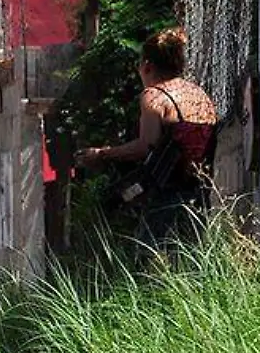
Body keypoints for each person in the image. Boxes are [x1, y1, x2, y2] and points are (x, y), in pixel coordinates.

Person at [79, 27, 218, 244]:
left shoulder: (154, 96)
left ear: (146, 66)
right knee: (192, 260)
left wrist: (102, 154)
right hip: (200, 192)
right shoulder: (199, 95)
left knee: (148, 261)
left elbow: (146, 146)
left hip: (166, 194)